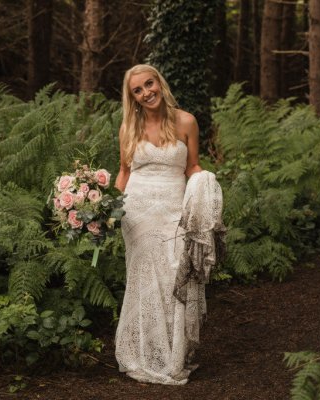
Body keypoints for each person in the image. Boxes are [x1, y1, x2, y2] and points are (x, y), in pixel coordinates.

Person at [114, 64, 202, 385]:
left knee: (173, 274)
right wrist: (105, 210)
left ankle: (172, 353)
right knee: (143, 280)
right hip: (137, 213)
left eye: (149, 84)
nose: (146, 92)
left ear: (159, 82)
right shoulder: (129, 128)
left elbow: (192, 167)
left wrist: (205, 187)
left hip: (173, 209)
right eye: (138, 90)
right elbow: (124, 172)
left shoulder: (186, 122)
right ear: (133, 98)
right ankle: (144, 351)